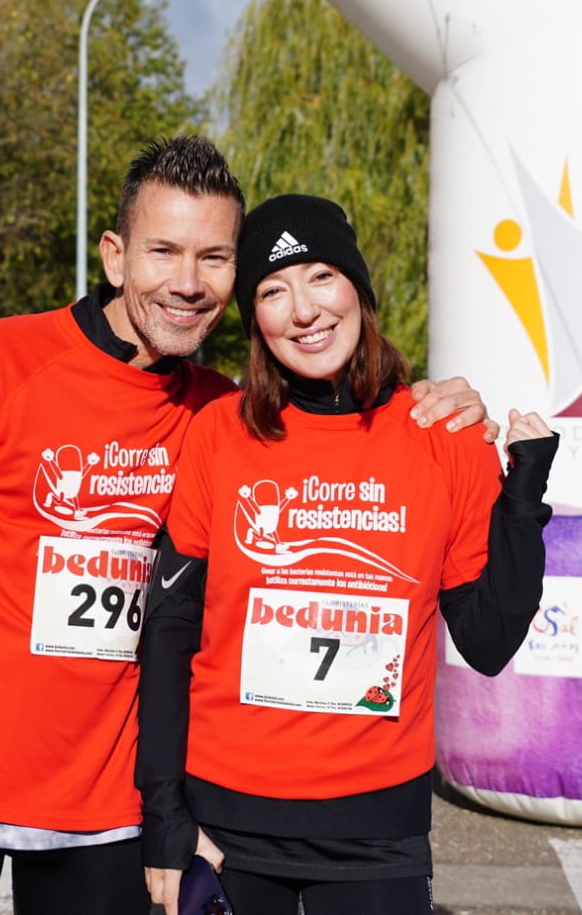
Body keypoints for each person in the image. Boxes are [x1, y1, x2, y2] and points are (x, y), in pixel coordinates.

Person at [0, 138, 495, 915]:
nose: (186, 283)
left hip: (106, 810)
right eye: (163, 251)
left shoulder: (222, 414)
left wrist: (442, 405)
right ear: (115, 256)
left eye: (213, 258)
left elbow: (346, 435)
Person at [136, 193, 559, 915]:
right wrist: (166, 816)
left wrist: (522, 494)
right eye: (273, 290)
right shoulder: (218, 435)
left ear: (358, 289)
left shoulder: (445, 436)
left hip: (377, 829)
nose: (303, 310)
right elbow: (169, 637)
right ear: (255, 319)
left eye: (321, 276)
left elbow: (488, 641)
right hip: (228, 824)